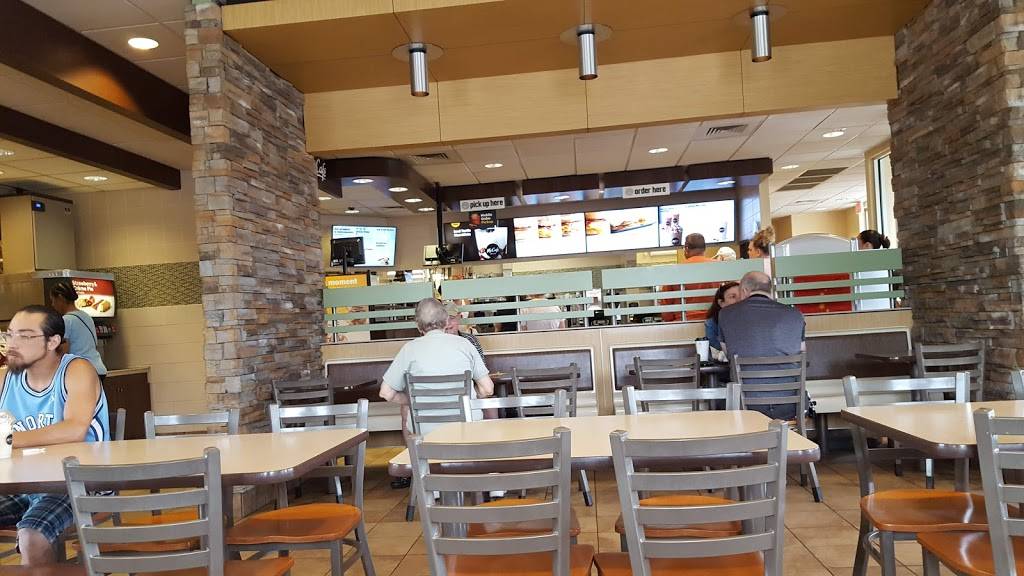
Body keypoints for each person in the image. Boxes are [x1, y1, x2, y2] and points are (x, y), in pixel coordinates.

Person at [0, 305, 109, 565]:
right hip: (21, 485)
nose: (12, 344)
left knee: (32, 536)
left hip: (77, 484)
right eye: (9, 334)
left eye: (25, 336)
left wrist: (8, 440)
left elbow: (74, 429)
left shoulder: (76, 370)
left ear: (53, 342)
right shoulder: (6, 379)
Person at [379, 298, 494, 436]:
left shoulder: (409, 349)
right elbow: (488, 389)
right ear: (446, 321)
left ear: (418, 326)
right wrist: (469, 396)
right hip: (466, 431)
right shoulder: (465, 345)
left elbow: (386, 393)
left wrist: (413, 400)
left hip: (425, 434)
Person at [718, 272, 806, 420]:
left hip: (745, 405)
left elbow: (729, 354)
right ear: (770, 290)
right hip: (791, 405)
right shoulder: (795, 314)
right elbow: (802, 352)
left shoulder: (726, 314)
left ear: (744, 290)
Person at [48, 282, 107, 382]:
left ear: (61, 298)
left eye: (53, 300)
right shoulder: (87, 317)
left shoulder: (66, 320)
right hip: (98, 369)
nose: (53, 305)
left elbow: (64, 349)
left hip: (82, 371)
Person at [660, 233, 715, 322]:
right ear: (705, 248)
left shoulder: (674, 271)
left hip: (683, 321)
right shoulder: (719, 267)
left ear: (686, 248)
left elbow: (666, 308)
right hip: (713, 321)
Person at [704, 281, 740, 351]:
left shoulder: (750, 318)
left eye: (741, 296)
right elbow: (715, 346)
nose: (739, 300)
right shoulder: (712, 323)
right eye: (733, 296)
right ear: (721, 303)